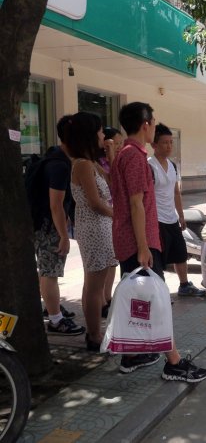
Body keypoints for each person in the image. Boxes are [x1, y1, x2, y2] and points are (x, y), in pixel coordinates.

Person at [111, 101, 206, 382]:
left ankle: (131, 356)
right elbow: (136, 204)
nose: (154, 127)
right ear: (145, 124)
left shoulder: (124, 154)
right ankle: (174, 363)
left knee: (140, 300)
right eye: (153, 122)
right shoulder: (135, 156)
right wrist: (143, 246)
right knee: (157, 300)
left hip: (131, 239)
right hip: (138, 241)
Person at [65, 112, 119, 351]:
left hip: (100, 227)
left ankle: (95, 332)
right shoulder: (83, 165)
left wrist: (110, 153)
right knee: (94, 287)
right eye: (99, 132)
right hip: (94, 227)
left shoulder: (91, 162)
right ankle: (94, 335)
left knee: (94, 283)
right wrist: (120, 216)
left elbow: (112, 180)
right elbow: (96, 202)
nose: (102, 136)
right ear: (89, 135)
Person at [34, 116, 85, 335]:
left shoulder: (57, 157)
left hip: (43, 222)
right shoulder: (59, 165)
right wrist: (64, 235)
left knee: (47, 271)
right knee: (50, 272)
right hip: (47, 225)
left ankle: (51, 308)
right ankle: (55, 320)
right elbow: (55, 205)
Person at [148, 123, 206, 297]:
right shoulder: (149, 166)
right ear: (154, 145)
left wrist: (181, 215)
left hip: (172, 218)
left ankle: (184, 285)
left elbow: (176, 192)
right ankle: (160, 292)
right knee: (159, 259)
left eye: (171, 142)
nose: (169, 146)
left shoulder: (172, 166)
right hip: (156, 220)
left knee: (181, 253)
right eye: (165, 142)